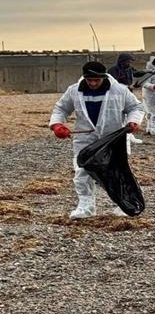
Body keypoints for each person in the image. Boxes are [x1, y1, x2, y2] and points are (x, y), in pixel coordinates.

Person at [49, 61, 144, 219]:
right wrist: (57, 125)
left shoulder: (120, 90)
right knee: (82, 170)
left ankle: (123, 204)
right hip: (85, 139)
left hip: (113, 139)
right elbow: (61, 108)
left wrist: (133, 121)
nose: (93, 83)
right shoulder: (74, 91)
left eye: (96, 80)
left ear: (103, 77)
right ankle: (86, 206)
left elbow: (136, 107)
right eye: (89, 80)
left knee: (115, 172)